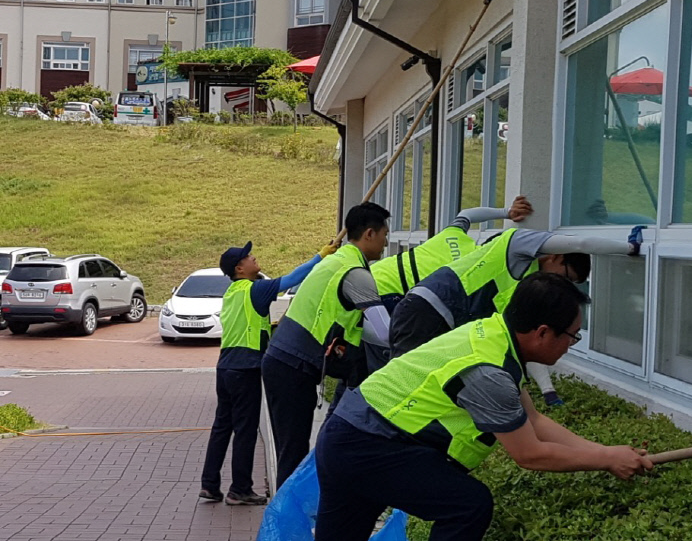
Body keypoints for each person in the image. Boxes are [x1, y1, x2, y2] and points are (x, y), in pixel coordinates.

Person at [314, 272, 653, 540]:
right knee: (468, 506)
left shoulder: (493, 336)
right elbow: (530, 454)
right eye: (572, 336)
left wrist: (608, 453)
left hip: (348, 434)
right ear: (543, 333)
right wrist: (606, 459)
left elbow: (533, 421)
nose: (571, 346)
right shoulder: (489, 373)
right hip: (368, 445)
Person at [388, 225, 644, 405]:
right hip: (427, 311)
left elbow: (530, 345)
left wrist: (548, 392)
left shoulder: (527, 288)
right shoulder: (517, 244)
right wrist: (629, 248)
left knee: (426, 394)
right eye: (566, 278)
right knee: (402, 388)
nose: (562, 286)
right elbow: (582, 244)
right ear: (556, 256)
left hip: (445, 324)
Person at [261, 202, 391, 489]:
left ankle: (290, 514)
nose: (385, 243)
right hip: (292, 365)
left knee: (291, 449)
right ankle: (285, 524)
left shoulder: (337, 261)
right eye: (384, 235)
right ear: (369, 234)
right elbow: (384, 332)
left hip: (285, 362)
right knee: (292, 453)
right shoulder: (356, 274)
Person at [199, 239, 337, 505]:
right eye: (248, 257)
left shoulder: (232, 292)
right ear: (239, 268)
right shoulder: (256, 289)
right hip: (246, 367)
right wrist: (320, 255)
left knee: (222, 427)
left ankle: (209, 484)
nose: (254, 258)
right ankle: (239, 489)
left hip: (225, 366)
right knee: (246, 430)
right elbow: (293, 279)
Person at [363, 196, 534, 374]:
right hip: (388, 298)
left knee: (360, 368)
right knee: (391, 370)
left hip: (371, 279)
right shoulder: (472, 271)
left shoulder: (454, 235)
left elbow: (467, 214)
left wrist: (507, 212)